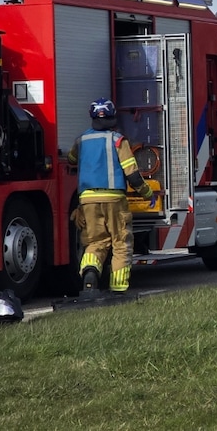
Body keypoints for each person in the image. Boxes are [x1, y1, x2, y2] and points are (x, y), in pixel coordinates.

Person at [67, 98, 155, 294]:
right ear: (113, 117)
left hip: (87, 201)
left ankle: (90, 276)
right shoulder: (118, 140)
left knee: (95, 242)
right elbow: (132, 174)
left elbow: (71, 159)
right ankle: (118, 289)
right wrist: (147, 193)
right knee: (121, 243)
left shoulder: (81, 141)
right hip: (114, 200)